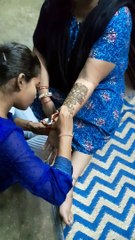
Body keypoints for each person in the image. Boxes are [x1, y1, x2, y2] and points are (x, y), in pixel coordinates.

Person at [32, 0, 135, 225]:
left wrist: (59, 122)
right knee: (24, 89)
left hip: (96, 86)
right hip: (60, 74)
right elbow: (39, 52)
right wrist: (45, 98)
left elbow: (88, 80)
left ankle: (69, 181)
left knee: (97, 119)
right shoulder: (54, 5)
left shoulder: (117, 18)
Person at [0, 42, 73, 207]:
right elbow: (56, 191)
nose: (37, 93)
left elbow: (6, 119)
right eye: (36, 86)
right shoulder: (9, 141)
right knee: (58, 153)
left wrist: (32, 126)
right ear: (20, 81)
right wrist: (66, 135)